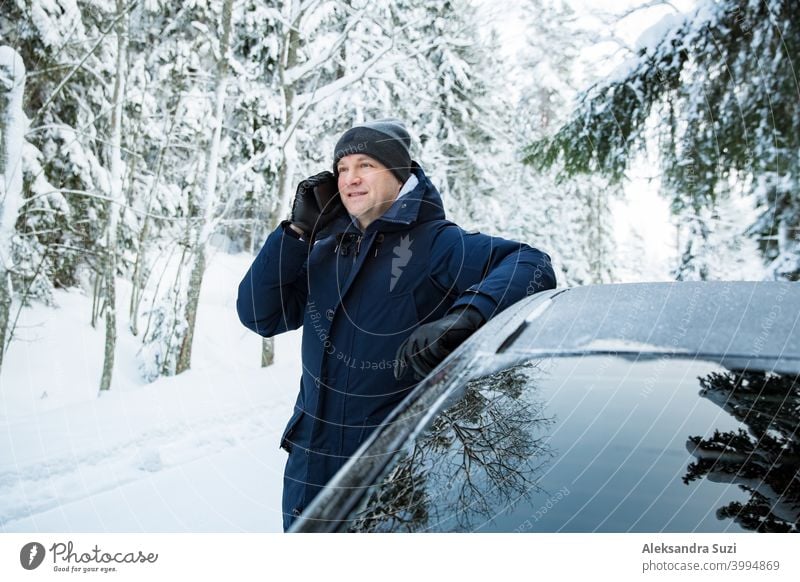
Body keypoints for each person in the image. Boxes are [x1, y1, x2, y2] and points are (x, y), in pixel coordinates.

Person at [237, 119, 556, 531]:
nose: (349, 179)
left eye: (365, 165)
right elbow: (260, 315)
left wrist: (467, 316)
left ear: (398, 172)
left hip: (392, 476)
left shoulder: (434, 242)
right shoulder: (326, 250)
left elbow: (531, 263)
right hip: (309, 472)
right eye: (342, 169)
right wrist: (296, 233)